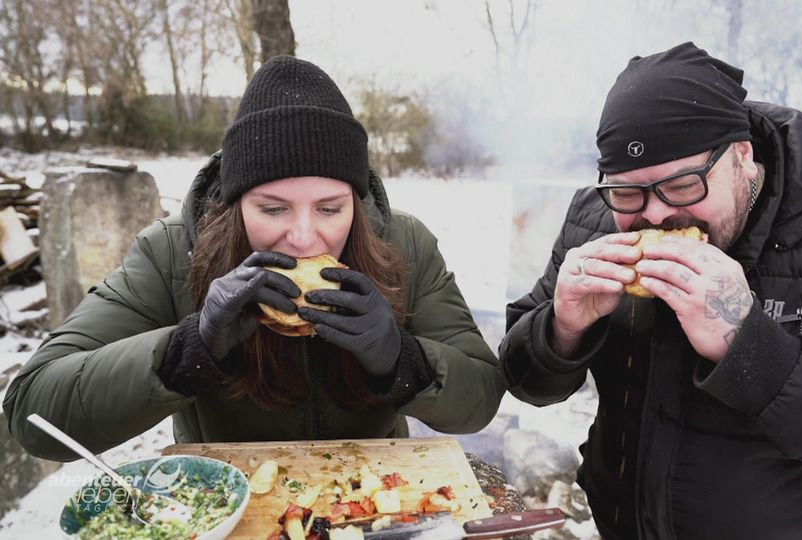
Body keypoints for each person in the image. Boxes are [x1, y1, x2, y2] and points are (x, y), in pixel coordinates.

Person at [499, 42, 802, 539]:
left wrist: (755, 350)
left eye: (682, 185)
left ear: (742, 156)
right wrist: (560, 329)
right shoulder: (595, 220)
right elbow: (526, 381)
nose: (654, 215)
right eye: (629, 191)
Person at [5, 55, 504, 459]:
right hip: (230, 508)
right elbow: (34, 413)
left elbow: (480, 396)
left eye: (330, 208)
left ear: (356, 200)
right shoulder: (171, 251)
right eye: (272, 208)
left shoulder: (406, 245)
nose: (305, 237)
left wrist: (402, 360)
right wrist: (187, 351)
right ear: (236, 202)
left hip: (374, 506)